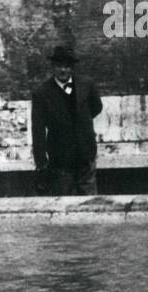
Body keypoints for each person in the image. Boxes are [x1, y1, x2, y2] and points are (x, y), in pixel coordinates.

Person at [31, 46, 103, 195]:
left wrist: (82, 126)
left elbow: (96, 107)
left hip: (85, 154)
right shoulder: (42, 93)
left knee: (90, 201)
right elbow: (38, 130)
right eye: (59, 66)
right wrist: (41, 162)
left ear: (72, 67)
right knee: (65, 200)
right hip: (60, 159)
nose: (63, 70)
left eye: (67, 66)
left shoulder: (87, 85)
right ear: (53, 67)